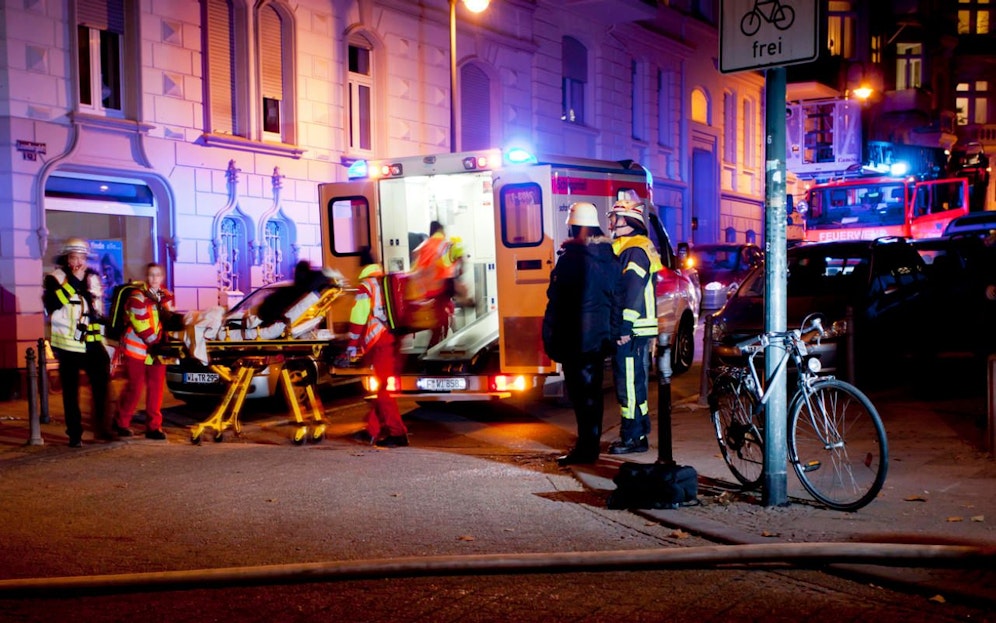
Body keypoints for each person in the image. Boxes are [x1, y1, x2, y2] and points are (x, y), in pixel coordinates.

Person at [542, 202, 619, 465]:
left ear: (575, 226)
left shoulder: (571, 257)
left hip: (575, 337)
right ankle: (590, 446)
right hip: (598, 338)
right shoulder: (609, 255)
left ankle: (585, 451)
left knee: (581, 396)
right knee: (593, 394)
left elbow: (557, 297)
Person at [42, 238, 111, 447]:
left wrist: (107, 338)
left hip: (91, 341)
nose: (79, 262)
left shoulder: (93, 278)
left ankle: (103, 428)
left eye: (82, 258)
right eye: (74, 257)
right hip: (68, 345)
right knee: (71, 393)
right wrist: (73, 281)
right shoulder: (55, 278)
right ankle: (74, 434)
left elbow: (96, 311)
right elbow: (52, 304)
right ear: (67, 259)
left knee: (102, 386)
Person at [606, 199, 663, 455]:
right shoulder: (634, 248)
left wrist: (625, 326)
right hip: (639, 328)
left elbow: (632, 290)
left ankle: (631, 437)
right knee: (634, 383)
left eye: (616, 218)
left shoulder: (634, 250)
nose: (611, 223)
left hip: (633, 328)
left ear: (629, 222)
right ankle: (638, 434)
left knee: (628, 384)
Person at [346, 249, 409, 447]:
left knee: (382, 390)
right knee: (381, 389)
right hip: (392, 338)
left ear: (361, 266)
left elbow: (358, 319)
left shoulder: (366, 286)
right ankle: (372, 430)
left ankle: (398, 434)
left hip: (379, 342)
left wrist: (351, 345)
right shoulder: (385, 282)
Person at [114, 263, 175, 440]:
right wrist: (155, 343)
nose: (154, 278)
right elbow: (140, 322)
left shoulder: (164, 297)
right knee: (135, 387)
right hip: (137, 349)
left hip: (155, 349)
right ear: (146, 277)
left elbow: (167, 322)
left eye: (157, 275)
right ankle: (120, 422)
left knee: (156, 389)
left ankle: (154, 427)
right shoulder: (137, 296)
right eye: (151, 275)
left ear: (162, 277)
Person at [410, 220, 456, 346]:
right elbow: (450, 268)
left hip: (428, 292)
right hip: (441, 289)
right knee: (441, 324)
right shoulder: (444, 245)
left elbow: (417, 270)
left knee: (438, 324)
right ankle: (433, 353)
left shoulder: (424, 246)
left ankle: (435, 348)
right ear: (440, 230)